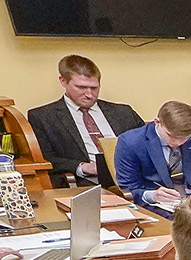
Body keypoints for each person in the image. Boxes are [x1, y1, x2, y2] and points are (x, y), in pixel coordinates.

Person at [27, 53, 143, 188]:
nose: (89, 95)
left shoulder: (123, 112)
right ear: (63, 81)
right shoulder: (43, 117)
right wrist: (81, 167)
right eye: (81, 87)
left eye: (94, 88)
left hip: (135, 178)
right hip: (87, 183)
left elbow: (147, 141)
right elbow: (46, 159)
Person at [113, 101, 191, 211]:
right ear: (157, 122)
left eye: (185, 137)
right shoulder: (131, 143)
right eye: (171, 136)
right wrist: (152, 195)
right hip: (155, 205)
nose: (178, 142)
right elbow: (129, 189)